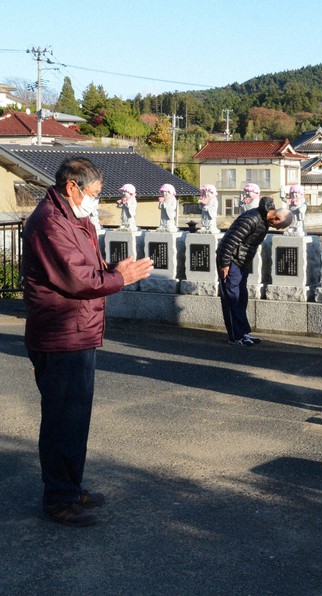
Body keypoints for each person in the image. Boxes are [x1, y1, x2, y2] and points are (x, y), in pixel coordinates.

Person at [22, 157, 154, 526]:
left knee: (75, 418)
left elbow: (87, 271)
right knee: (62, 420)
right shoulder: (50, 222)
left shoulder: (71, 217)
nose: (95, 201)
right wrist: (119, 278)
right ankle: (58, 499)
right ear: (72, 187)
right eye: (94, 194)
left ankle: (71, 487)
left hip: (77, 330)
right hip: (60, 333)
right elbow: (77, 279)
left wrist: (111, 273)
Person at [216, 197, 293, 346]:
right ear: (276, 218)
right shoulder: (251, 219)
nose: (278, 229)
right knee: (232, 299)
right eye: (280, 226)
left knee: (241, 299)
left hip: (241, 263)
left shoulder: (263, 218)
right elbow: (229, 241)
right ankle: (235, 337)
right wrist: (224, 264)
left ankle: (244, 333)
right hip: (231, 262)